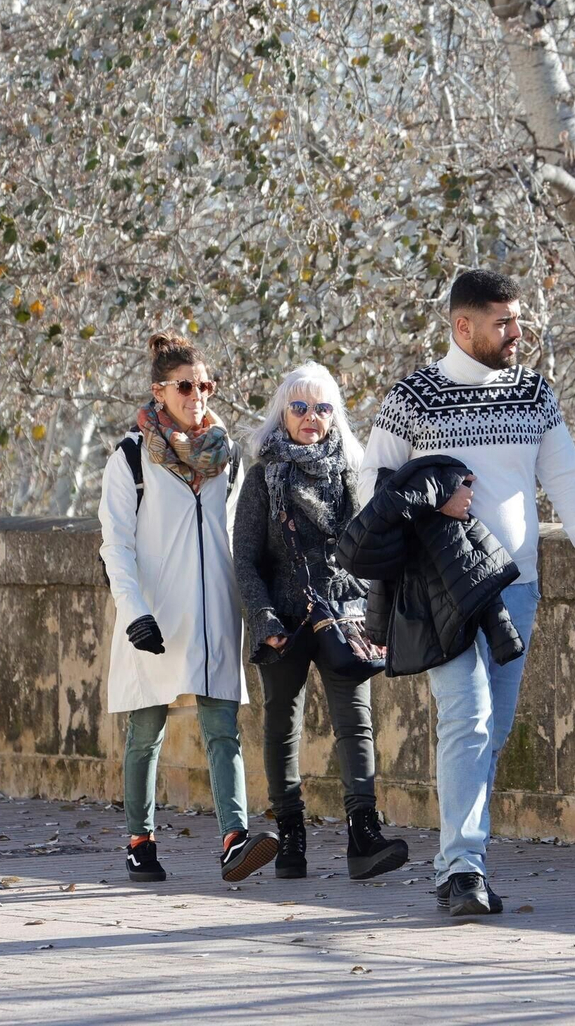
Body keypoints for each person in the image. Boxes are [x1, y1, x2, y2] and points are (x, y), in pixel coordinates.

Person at [358, 268, 575, 917]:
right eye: (503, 323)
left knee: (492, 728)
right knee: (467, 716)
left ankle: (458, 862)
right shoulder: (413, 397)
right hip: (437, 590)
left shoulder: (533, 393)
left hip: (516, 588)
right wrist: (433, 500)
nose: (516, 333)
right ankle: (463, 868)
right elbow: (373, 488)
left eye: (517, 320)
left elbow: (566, 478)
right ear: (462, 326)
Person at [98, 332, 278, 884]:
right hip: (155, 613)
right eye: (185, 387)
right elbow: (115, 545)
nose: (197, 395)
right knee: (146, 729)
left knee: (223, 725)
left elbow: (241, 538)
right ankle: (140, 842)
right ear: (159, 391)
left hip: (214, 609)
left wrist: (259, 610)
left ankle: (234, 840)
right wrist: (134, 613)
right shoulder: (131, 458)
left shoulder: (227, 457)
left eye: (205, 386)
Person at [232, 362, 409, 881]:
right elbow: (245, 559)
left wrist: (369, 613)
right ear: (283, 414)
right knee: (281, 727)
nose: (311, 417)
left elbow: (373, 549)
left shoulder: (353, 472)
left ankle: (364, 835)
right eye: (300, 407)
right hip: (283, 621)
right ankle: (290, 837)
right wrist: (263, 616)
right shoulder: (263, 476)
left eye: (323, 407)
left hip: (343, 618)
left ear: (335, 416)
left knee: (356, 724)